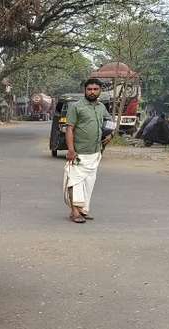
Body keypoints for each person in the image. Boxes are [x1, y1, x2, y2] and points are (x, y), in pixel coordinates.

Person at [64, 78, 112, 223]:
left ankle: (83, 210)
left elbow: (109, 121)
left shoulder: (101, 107)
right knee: (75, 181)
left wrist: (110, 134)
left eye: (95, 89)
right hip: (79, 152)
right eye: (89, 89)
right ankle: (74, 212)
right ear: (84, 90)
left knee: (88, 184)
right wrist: (71, 150)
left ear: (100, 91)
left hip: (95, 153)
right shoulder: (76, 107)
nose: (92, 92)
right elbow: (69, 129)